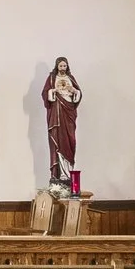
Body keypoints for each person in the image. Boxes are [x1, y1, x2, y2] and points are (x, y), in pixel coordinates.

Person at [42, 57, 82, 193]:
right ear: (57, 66)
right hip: (57, 114)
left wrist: (74, 91)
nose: (63, 68)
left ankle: (68, 172)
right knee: (58, 142)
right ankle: (60, 175)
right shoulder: (52, 78)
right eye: (61, 65)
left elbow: (78, 94)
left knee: (69, 140)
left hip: (68, 112)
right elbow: (45, 93)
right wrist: (53, 92)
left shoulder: (71, 78)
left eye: (65, 65)